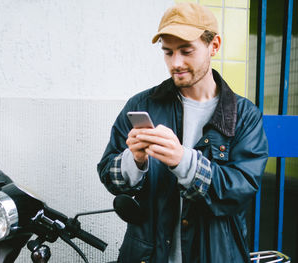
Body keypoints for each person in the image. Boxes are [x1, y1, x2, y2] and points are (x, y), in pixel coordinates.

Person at [97, 2, 268, 263]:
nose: (176, 63)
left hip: (216, 255)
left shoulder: (244, 116)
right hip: (148, 254)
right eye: (168, 52)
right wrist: (135, 160)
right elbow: (110, 178)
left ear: (214, 46)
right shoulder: (142, 105)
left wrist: (183, 160)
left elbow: (240, 190)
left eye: (186, 51)